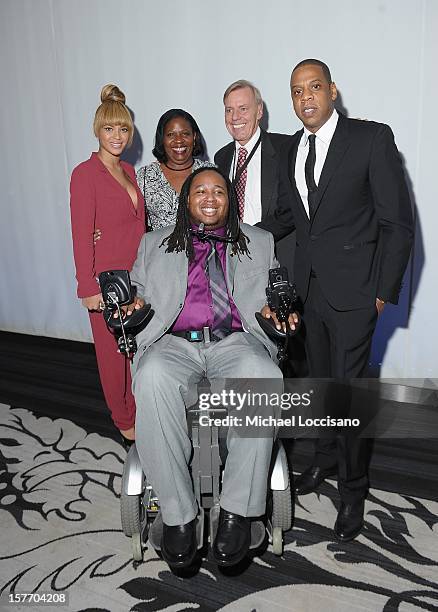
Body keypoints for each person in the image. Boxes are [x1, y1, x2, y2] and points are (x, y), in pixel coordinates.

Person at [260, 59, 414, 541]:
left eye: (314, 88)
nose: (305, 98)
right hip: (308, 292)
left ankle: (353, 492)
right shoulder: (289, 150)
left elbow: (398, 223)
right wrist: (233, 235)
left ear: (332, 91)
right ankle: (322, 463)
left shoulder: (371, 138)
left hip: (355, 296)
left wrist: (382, 295)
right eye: (296, 91)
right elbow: (289, 216)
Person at [125, 166, 298, 570]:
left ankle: (238, 512)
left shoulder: (258, 241)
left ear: (229, 200)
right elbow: (136, 293)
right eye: (199, 190)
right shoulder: (154, 245)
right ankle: (178, 516)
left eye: (218, 191)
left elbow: (273, 295)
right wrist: (130, 306)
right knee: (150, 377)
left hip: (235, 342)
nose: (209, 197)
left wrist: (281, 314)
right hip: (174, 343)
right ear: (187, 201)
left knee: (263, 375)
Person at [70, 84, 145, 448]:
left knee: (137, 351)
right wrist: (88, 287)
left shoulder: (130, 171)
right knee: (114, 356)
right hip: (106, 283)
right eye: (109, 129)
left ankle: (142, 411)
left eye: (123, 129)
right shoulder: (85, 174)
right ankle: (125, 422)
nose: (117, 136)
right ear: (97, 131)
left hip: (136, 278)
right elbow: (81, 233)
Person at [214, 80, 294, 280]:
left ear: (259, 111)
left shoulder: (286, 148)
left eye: (243, 109)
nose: (235, 117)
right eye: (229, 110)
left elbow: (291, 211)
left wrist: (247, 238)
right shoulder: (221, 158)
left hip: (276, 260)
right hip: (232, 266)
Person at [137, 109, 214, 230]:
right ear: (162, 139)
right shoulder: (145, 176)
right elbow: (129, 220)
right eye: (170, 134)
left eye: (185, 134)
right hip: (159, 248)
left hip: (204, 248)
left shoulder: (211, 173)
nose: (178, 140)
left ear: (194, 136)